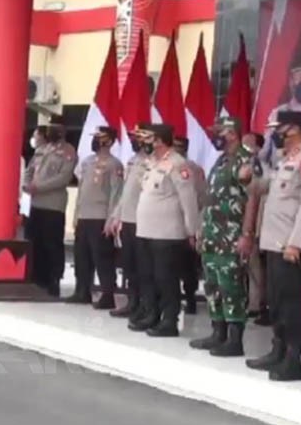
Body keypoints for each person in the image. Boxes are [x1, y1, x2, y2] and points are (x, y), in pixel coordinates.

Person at [247, 111, 301, 382]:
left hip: (291, 245)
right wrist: (255, 172)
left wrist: (296, 243)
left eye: (280, 129)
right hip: (274, 241)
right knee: (277, 300)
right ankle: (277, 350)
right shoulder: (285, 159)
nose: (275, 134)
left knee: (293, 303)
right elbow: (269, 188)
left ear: (295, 130)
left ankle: (293, 359)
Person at [130, 124, 201, 337]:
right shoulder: (151, 163)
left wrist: (192, 230)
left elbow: (188, 200)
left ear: (160, 140)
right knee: (147, 276)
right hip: (146, 230)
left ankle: (169, 320)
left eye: (148, 138)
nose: (143, 142)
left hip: (167, 232)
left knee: (166, 278)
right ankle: (151, 314)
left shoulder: (178, 164)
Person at [191, 117, 254, 356]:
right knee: (213, 285)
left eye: (220, 131)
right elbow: (211, 197)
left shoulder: (245, 160)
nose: (215, 136)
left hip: (231, 235)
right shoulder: (221, 161)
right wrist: (201, 227)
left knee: (231, 286)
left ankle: (235, 340)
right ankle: (218, 333)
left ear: (233, 133)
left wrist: (247, 234)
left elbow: (252, 199)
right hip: (212, 235)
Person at [67, 126, 123, 308]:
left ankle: (108, 295)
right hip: (85, 215)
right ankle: (82, 291)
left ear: (109, 141)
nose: (95, 141)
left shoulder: (114, 164)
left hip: (100, 216)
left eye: (99, 137)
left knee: (103, 258)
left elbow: (116, 193)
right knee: (82, 256)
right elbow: (81, 190)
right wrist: (76, 214)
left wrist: (111, 218)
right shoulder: (87, 162)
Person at [24, 123, 77, 297]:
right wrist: (26, 184)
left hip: (53, 205)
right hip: (36, 203)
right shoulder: (43, 149)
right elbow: (30, 169)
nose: (50, 133)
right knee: (35, 241)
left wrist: (38, 187)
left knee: (52, 243)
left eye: (54, 130)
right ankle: (36, 278)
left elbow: (63, 178)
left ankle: (54, 279)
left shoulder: (68, 151)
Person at [109, 126, 153, 319]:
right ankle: (132, 302)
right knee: (129, 266)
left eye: (137, 137)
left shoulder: (151, 163)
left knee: (144, 267)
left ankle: (145, 305)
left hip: (142, 222)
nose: (134, 141)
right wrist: (116, 216)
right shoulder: (133, 160)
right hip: (127, 220)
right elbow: (126, 192)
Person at [173, 136, 208, 315]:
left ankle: (190, 299)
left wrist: (195, 226)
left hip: (187, 224)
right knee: (171, 266)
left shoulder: (194, 169)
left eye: (180, 147)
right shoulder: (168, 166)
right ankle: (174, 299)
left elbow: (202, 197)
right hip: (170, 223)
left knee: (188, 267)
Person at [243, 132, 271, 326]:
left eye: (249, 145)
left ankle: (256, 304)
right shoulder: (239, 166)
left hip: (254, 224)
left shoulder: (262, 169)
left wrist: (254, 229)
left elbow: (258, 198)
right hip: (236, 222)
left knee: (255, 268)